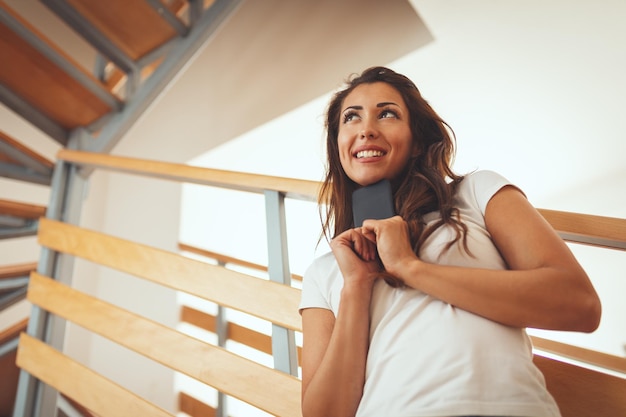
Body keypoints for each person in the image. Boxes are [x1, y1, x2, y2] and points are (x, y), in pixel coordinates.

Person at [298, 66, 602, 417]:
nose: (366, 129)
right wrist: (356, 284)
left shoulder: (476, 194)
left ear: (416, 142)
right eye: (351, 118)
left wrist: (409, 266)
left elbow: (579, 303)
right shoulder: (325, 271)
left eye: (387, 113)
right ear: (338, 146)